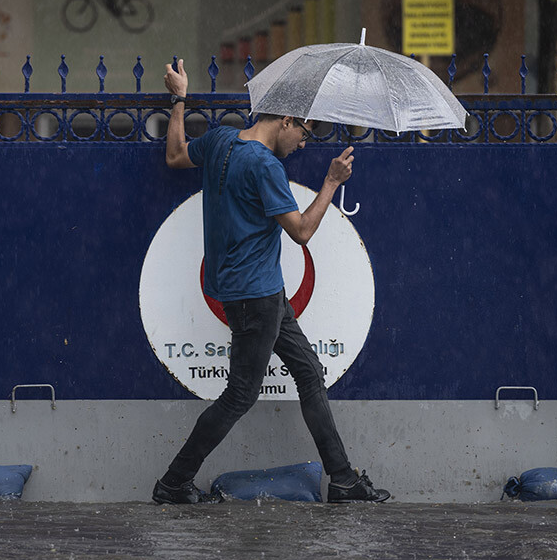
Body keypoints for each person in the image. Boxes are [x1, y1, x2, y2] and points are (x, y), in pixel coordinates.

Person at [152, 59, 391, 505]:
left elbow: (176, 155)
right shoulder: (265, 167)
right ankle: (172, 482)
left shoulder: (222, 139)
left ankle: (342, 480)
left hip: (259, 293)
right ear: (285, 119)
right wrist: (331, 182)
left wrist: (180, 99)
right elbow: (300, 231)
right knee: (240, 396)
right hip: (255, 297)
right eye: (304, 131)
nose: (304, 141)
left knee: (309, 374)